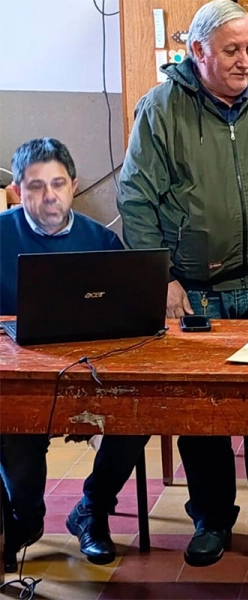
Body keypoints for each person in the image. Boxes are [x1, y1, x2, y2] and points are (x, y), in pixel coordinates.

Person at [117, 0, 248, 573]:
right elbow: (136, 200)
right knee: (200, 416)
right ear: (198, 52)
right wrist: (164, 279)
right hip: (196, 292)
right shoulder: (160, 110)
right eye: (231, 50)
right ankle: (211, 518)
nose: (244, 60)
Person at [0, 138, 151, 571]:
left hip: (93, 375)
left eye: (58, 184)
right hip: (21, 379)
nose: (49, 196)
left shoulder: (101, 240)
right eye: (35, 186)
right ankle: (24, 519)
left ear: (74, 186)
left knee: (138, 421)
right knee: (14, 435)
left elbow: (130, 315)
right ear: (17, 191)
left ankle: (92, 508)